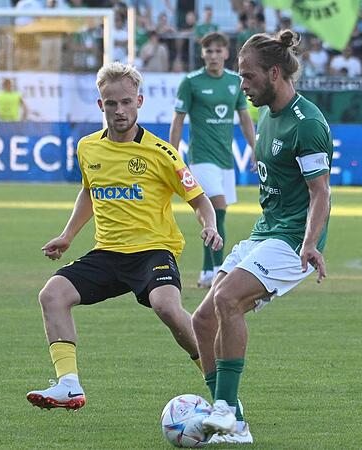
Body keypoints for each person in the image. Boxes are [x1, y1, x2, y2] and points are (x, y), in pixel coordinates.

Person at [25, 62, 223, 410]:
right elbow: (90, 191)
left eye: (127, 102)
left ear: (139, 102)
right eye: (111, 103)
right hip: (108, 253)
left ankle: (221, 386)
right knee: (52, 295)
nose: (120, 110)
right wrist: (68, 235)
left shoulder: (161, 152)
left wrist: (209, 224)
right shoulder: (88, 148)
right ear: (100, 105)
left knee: (166, 306)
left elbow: (199, 199)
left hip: (153, 251)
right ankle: (68, 385)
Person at [192, 29, 333, 443]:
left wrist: (310, 243)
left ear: (274, 73)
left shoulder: (307, 124)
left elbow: (320, 192)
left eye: (247, 75)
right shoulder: (268, 115)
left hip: (293, 240)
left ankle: (223, 410)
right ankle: (234, 421)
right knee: (202, 320)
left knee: (227, 299)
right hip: (266, 231)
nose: (242, 85)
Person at [170, 31, 257, 289]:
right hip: (201, 157)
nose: (213, 55)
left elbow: (244, 117)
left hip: (225, 159)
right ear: (202, 54)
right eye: (209, 51)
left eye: (218, 51)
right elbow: (178, 120)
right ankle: (219, 271)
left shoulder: (235, 82)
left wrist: (254, 147)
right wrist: (172, 154)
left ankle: (207, 271)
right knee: (216, 206)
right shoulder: (191, 82)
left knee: (218, 215)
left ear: (226, 54)